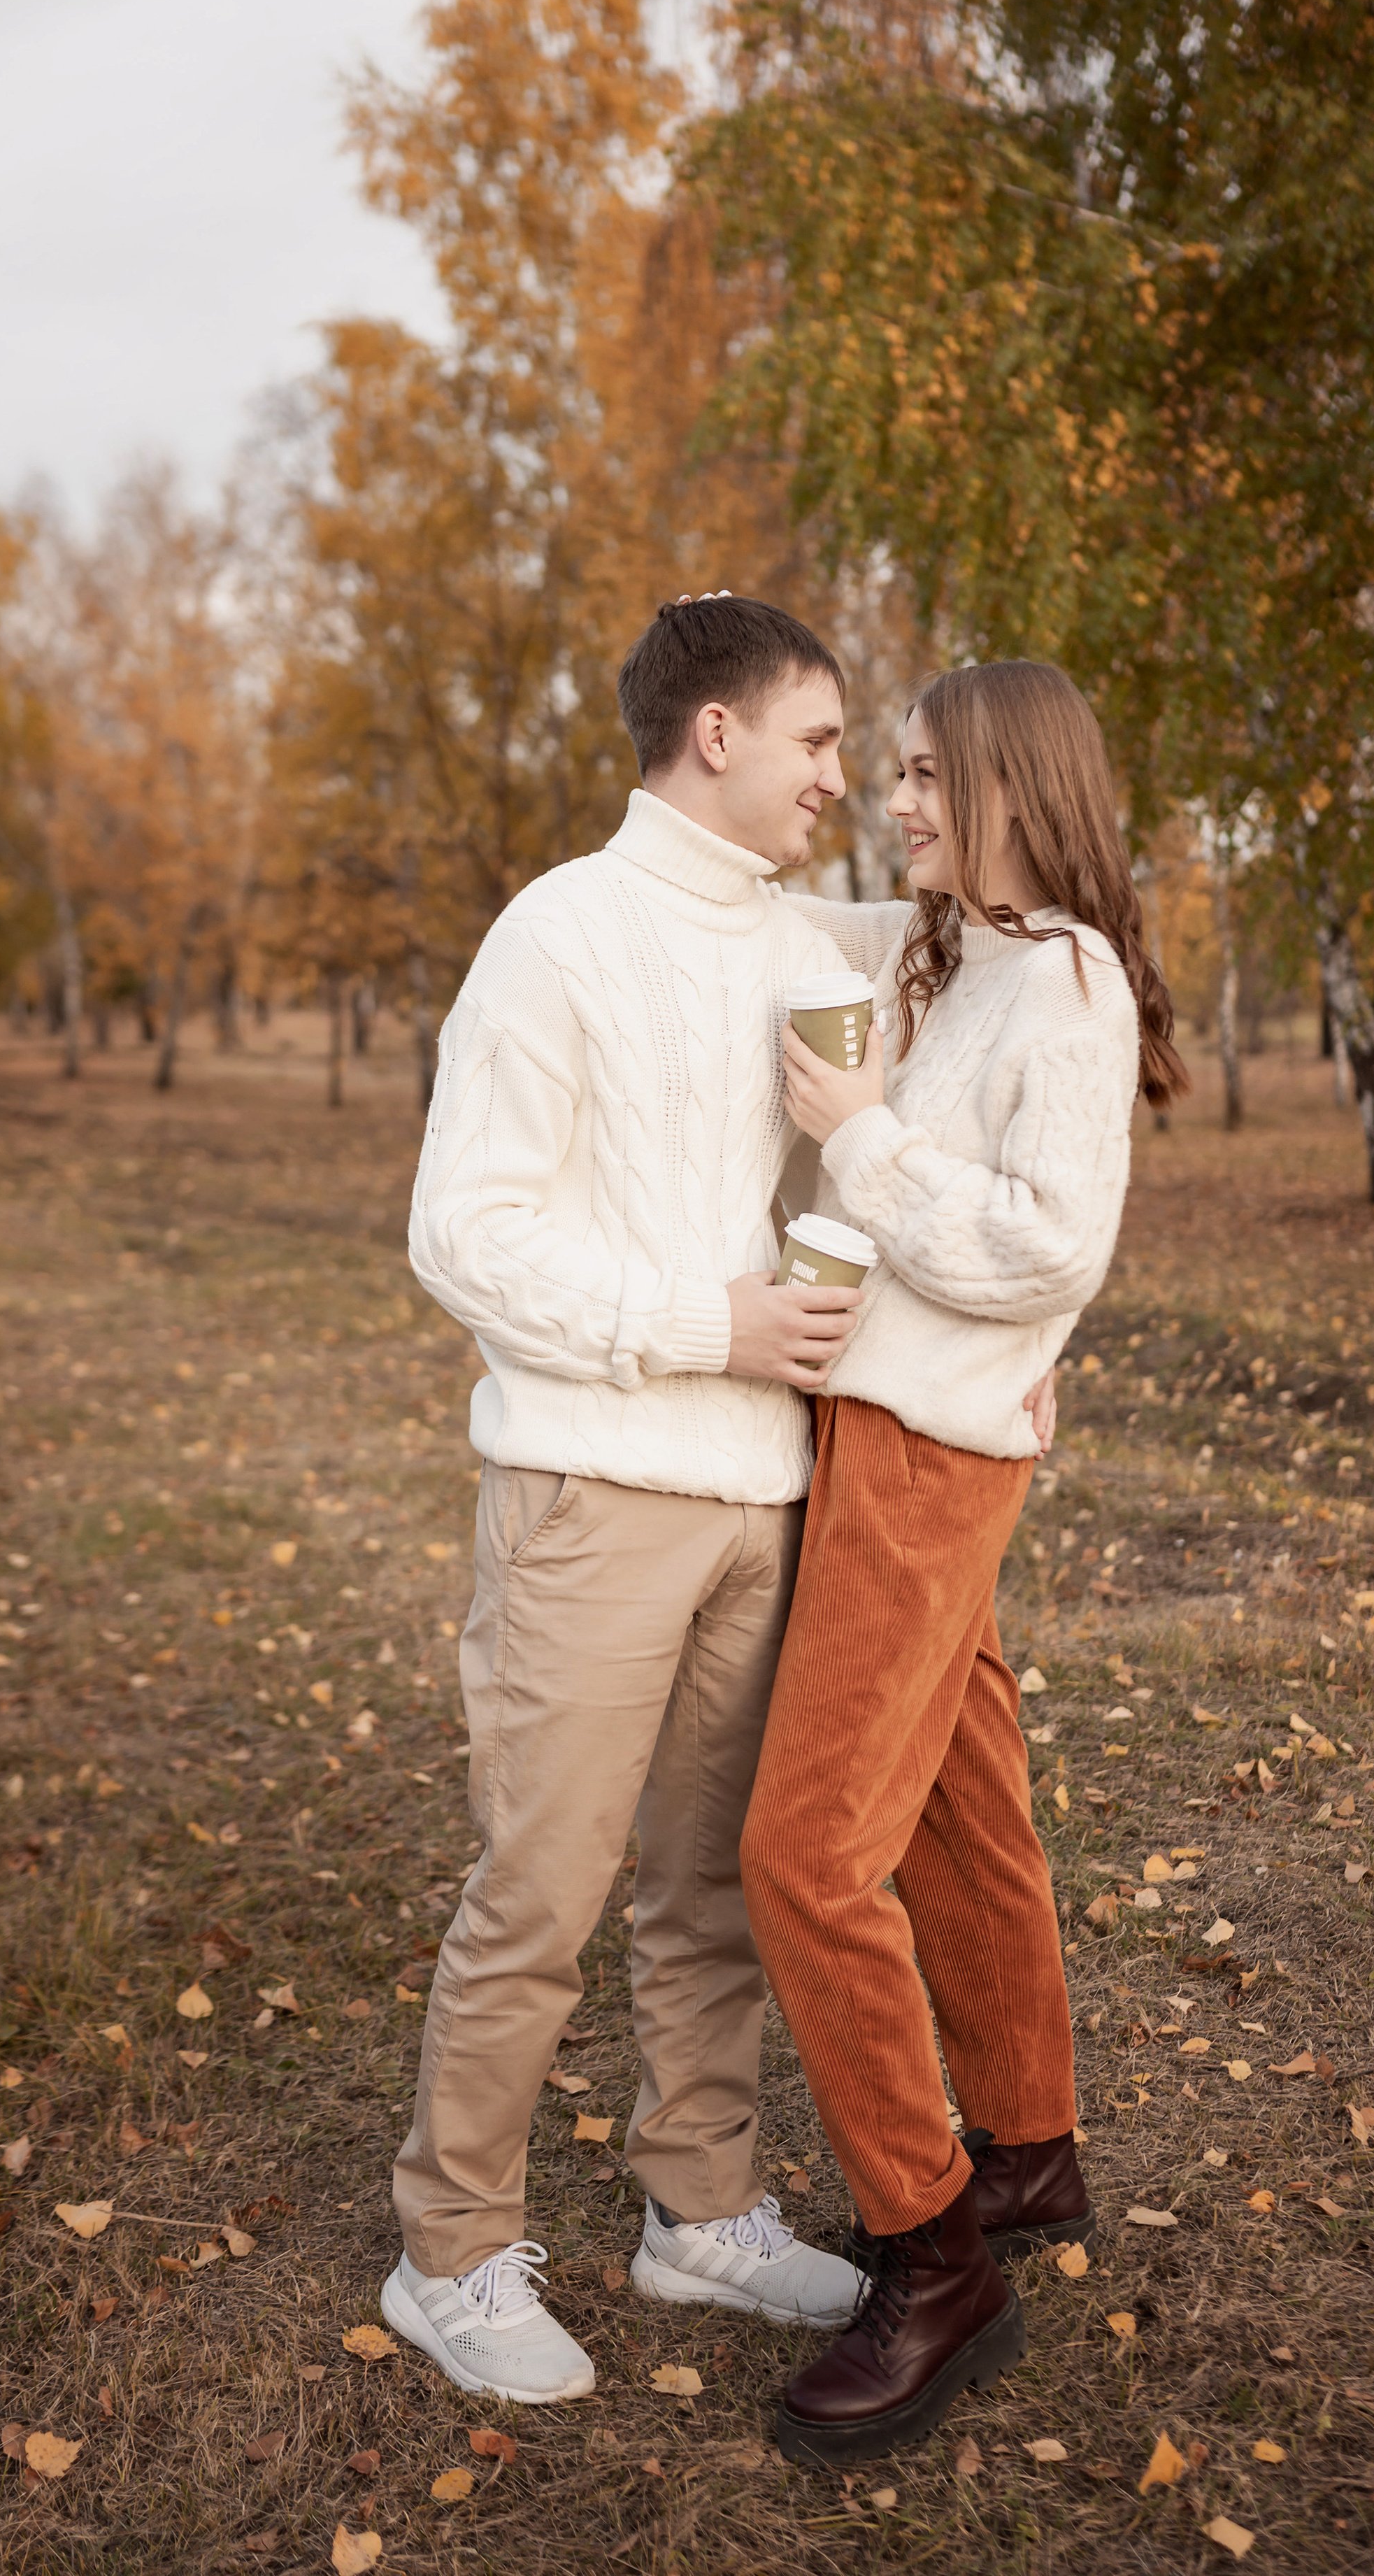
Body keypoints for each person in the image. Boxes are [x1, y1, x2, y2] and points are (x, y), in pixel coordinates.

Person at [381, 595, 874, 2404]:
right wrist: (709, 1325)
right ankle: (448, 2249)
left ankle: (701, 2211)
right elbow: (464, 1232)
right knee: (546, 1890)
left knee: (707, 1890)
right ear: (719, 734)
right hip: (594, 1491)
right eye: (817, 739)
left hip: (769, 1495)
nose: (842, 775)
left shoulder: (806, 938)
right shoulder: (557, 934)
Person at [739, 657, 1189, 2466]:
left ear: (1017, 788)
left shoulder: (1064, 980)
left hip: (927, 1454)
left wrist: (863, 1142)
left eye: (929, 778)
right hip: (888, 1419)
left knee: (802, 1852)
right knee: (956, 1805)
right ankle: (1029, 2140)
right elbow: (763, 914)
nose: (900, 802)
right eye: (893, 771)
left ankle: (933, 2258)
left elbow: (1043, 1250)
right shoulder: (934, 946)